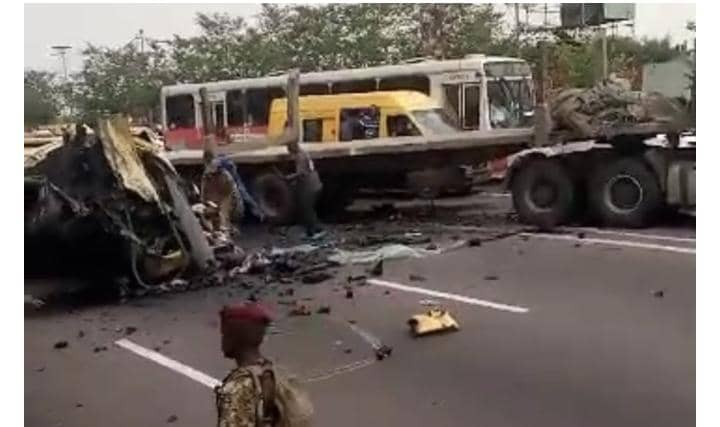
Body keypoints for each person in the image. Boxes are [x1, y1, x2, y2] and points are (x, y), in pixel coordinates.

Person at [216, 303, 278, 427]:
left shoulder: (237, 388)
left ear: (234, 337)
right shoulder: (271, 372)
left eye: (224, 334)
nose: (222, 340)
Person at [286, 142, 325, 239]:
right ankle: (310, 232)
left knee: (307, 209)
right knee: (305, 208)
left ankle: (317, 230)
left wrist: (290, 177)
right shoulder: (303, 153)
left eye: (289, 150)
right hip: (314, 183)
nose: (289, 153)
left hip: (310, 185)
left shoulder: (300, 157)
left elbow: (301, 173)